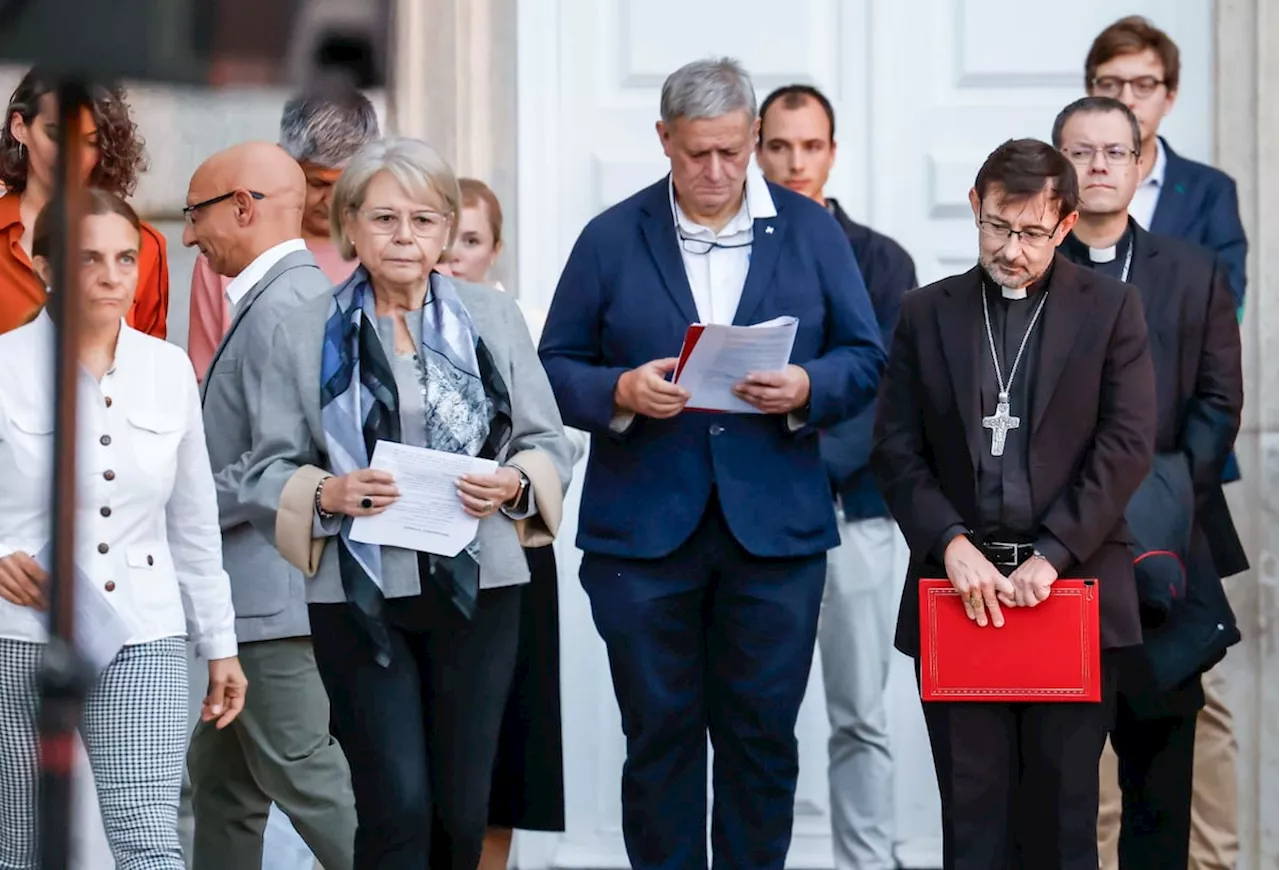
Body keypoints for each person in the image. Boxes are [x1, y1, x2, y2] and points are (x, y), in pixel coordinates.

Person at [538, 58, 885, 870]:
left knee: (762, 741)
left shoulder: (810, 229)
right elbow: (551, 366)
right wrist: (618, 389)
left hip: (776, 536)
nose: (717, 171)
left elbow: (866, 357)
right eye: (698, 153)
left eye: (734, 151)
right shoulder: (611, 235)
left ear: (754, 140)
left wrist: (806, 385)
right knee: (657, 739)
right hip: (643, 539)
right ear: (664, 139)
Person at [234, 136, 574, 869]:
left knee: (460, 812)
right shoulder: (302, 329)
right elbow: (264, 469)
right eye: (384, 218)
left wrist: (514, 482)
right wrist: (328, 490)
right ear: (349, 224)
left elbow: (548, 440)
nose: (404, 237)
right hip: (359, 596)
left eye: (423, 220)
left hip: (480, 588)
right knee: (395, 808)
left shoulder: (492, 317)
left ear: (447, 230)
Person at [871, 138, 1156, 870]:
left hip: (1072, 591)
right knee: (973, 824)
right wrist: (950, 543)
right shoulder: (925, 312)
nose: (1012, 249)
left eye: (1032, 232)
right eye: (999, 225)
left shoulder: (1112, 309)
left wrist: (1055, 553)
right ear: (975, 207)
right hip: (960, 591)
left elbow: (1125, 445)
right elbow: (896, 450)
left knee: (1063, 823)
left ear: (1064, 226)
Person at [0, 188, 246, 868]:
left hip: (146, 630)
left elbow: (195, 524)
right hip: (20, 631)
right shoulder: (3, 366)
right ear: (41, 263)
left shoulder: (169, 371)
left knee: (146, 835)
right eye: (89, 259)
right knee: (19, 843)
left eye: (126, 258)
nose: (112, 277)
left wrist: (220, 643)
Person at [1051, 96, 1243, 870]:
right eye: (1081, 152)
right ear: (1057, 164)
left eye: (1114, 153)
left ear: (1139, 164)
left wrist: (1155, 498)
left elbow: (1218, 403)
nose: (1098, 166)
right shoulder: (1029, 264)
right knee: (1057, 781)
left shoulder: (1193, 272)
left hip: (1161, 554)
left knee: (1158, 779)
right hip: (1052, 553)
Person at [183, 141, 358, 870]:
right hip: (255, 598)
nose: (189, 234)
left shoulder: (287, 304)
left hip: (273, 599)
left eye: (196, 214)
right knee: (224, 790)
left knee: (311, 782)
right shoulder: (281, 299)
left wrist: (177, 493)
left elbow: (287, 463)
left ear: (244, 207)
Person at [756, 83, 916, 870]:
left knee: (860, 715)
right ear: (758, 150)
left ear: (832, 152)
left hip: (855, 516)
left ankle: (866, 864)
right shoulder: (731, 253)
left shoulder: (883, 260)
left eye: (809, 146)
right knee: (755, 717)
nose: (794, 162)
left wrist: (799, 462)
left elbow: (888, 396)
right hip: (753, 524)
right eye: (779, 145)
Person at [443, 177, 579, 870]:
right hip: (420, 552)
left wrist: (516, 479)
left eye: (471, 240)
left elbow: (557, 441)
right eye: (447, 235)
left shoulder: (521, 323)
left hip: (510, 549)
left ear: (495, 250)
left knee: (507, 754)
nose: (454, 254)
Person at [187, 89, 380, 382]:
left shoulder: (397, 254)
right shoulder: (226, 258)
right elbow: (205, 385)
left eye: (348, 182)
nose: (332, 200)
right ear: (282, 163)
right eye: (317, 183)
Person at [0, 67, 169, 337]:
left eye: (90, 141)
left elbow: (148, 364)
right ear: (20, 127)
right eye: (56, 135)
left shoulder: (146, 244)